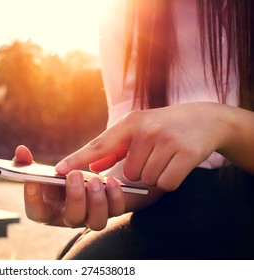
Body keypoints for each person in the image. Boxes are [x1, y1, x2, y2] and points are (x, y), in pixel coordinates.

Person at [13, 0, 254, 259]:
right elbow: (138, 163)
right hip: (181, 196)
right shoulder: (129, 12)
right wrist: (99, 191)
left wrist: (225, 125)